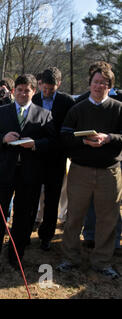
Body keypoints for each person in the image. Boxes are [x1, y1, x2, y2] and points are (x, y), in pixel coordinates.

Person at [0, 74, 55, 272]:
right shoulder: (0, 112)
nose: (23, 93)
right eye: (20, 90)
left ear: (34, 91)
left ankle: (16, 256)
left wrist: (36, 145)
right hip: (3, 173)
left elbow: (51, 142)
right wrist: (3, 138)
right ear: (14, 92)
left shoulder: (44, 115)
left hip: (29, 175)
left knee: (23, 217)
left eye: (28, 90)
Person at [58, 65, 122, 279]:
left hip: (109, 173)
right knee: (74, 216)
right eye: (96, 82)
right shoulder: (78, 108)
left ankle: (102, 261)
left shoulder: (118, 108)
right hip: (80, 171)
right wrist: (83, 141)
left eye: (103, 83)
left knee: (107, 218)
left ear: (109, 87)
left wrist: (109, 138)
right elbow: (65, 135)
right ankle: (70, 258)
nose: (99, 86)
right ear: (90, 84)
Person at [31, 67, 76, 251]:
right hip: (36, 155)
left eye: (51, 88)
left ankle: (46, 236)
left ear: (59, 84)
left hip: (57, 157)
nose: (47, 92)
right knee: (32, 196)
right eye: (45, 88)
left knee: (52, 198)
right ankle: (26, 231)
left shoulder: (67, 102)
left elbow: (69, 128)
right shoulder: (34, 98)